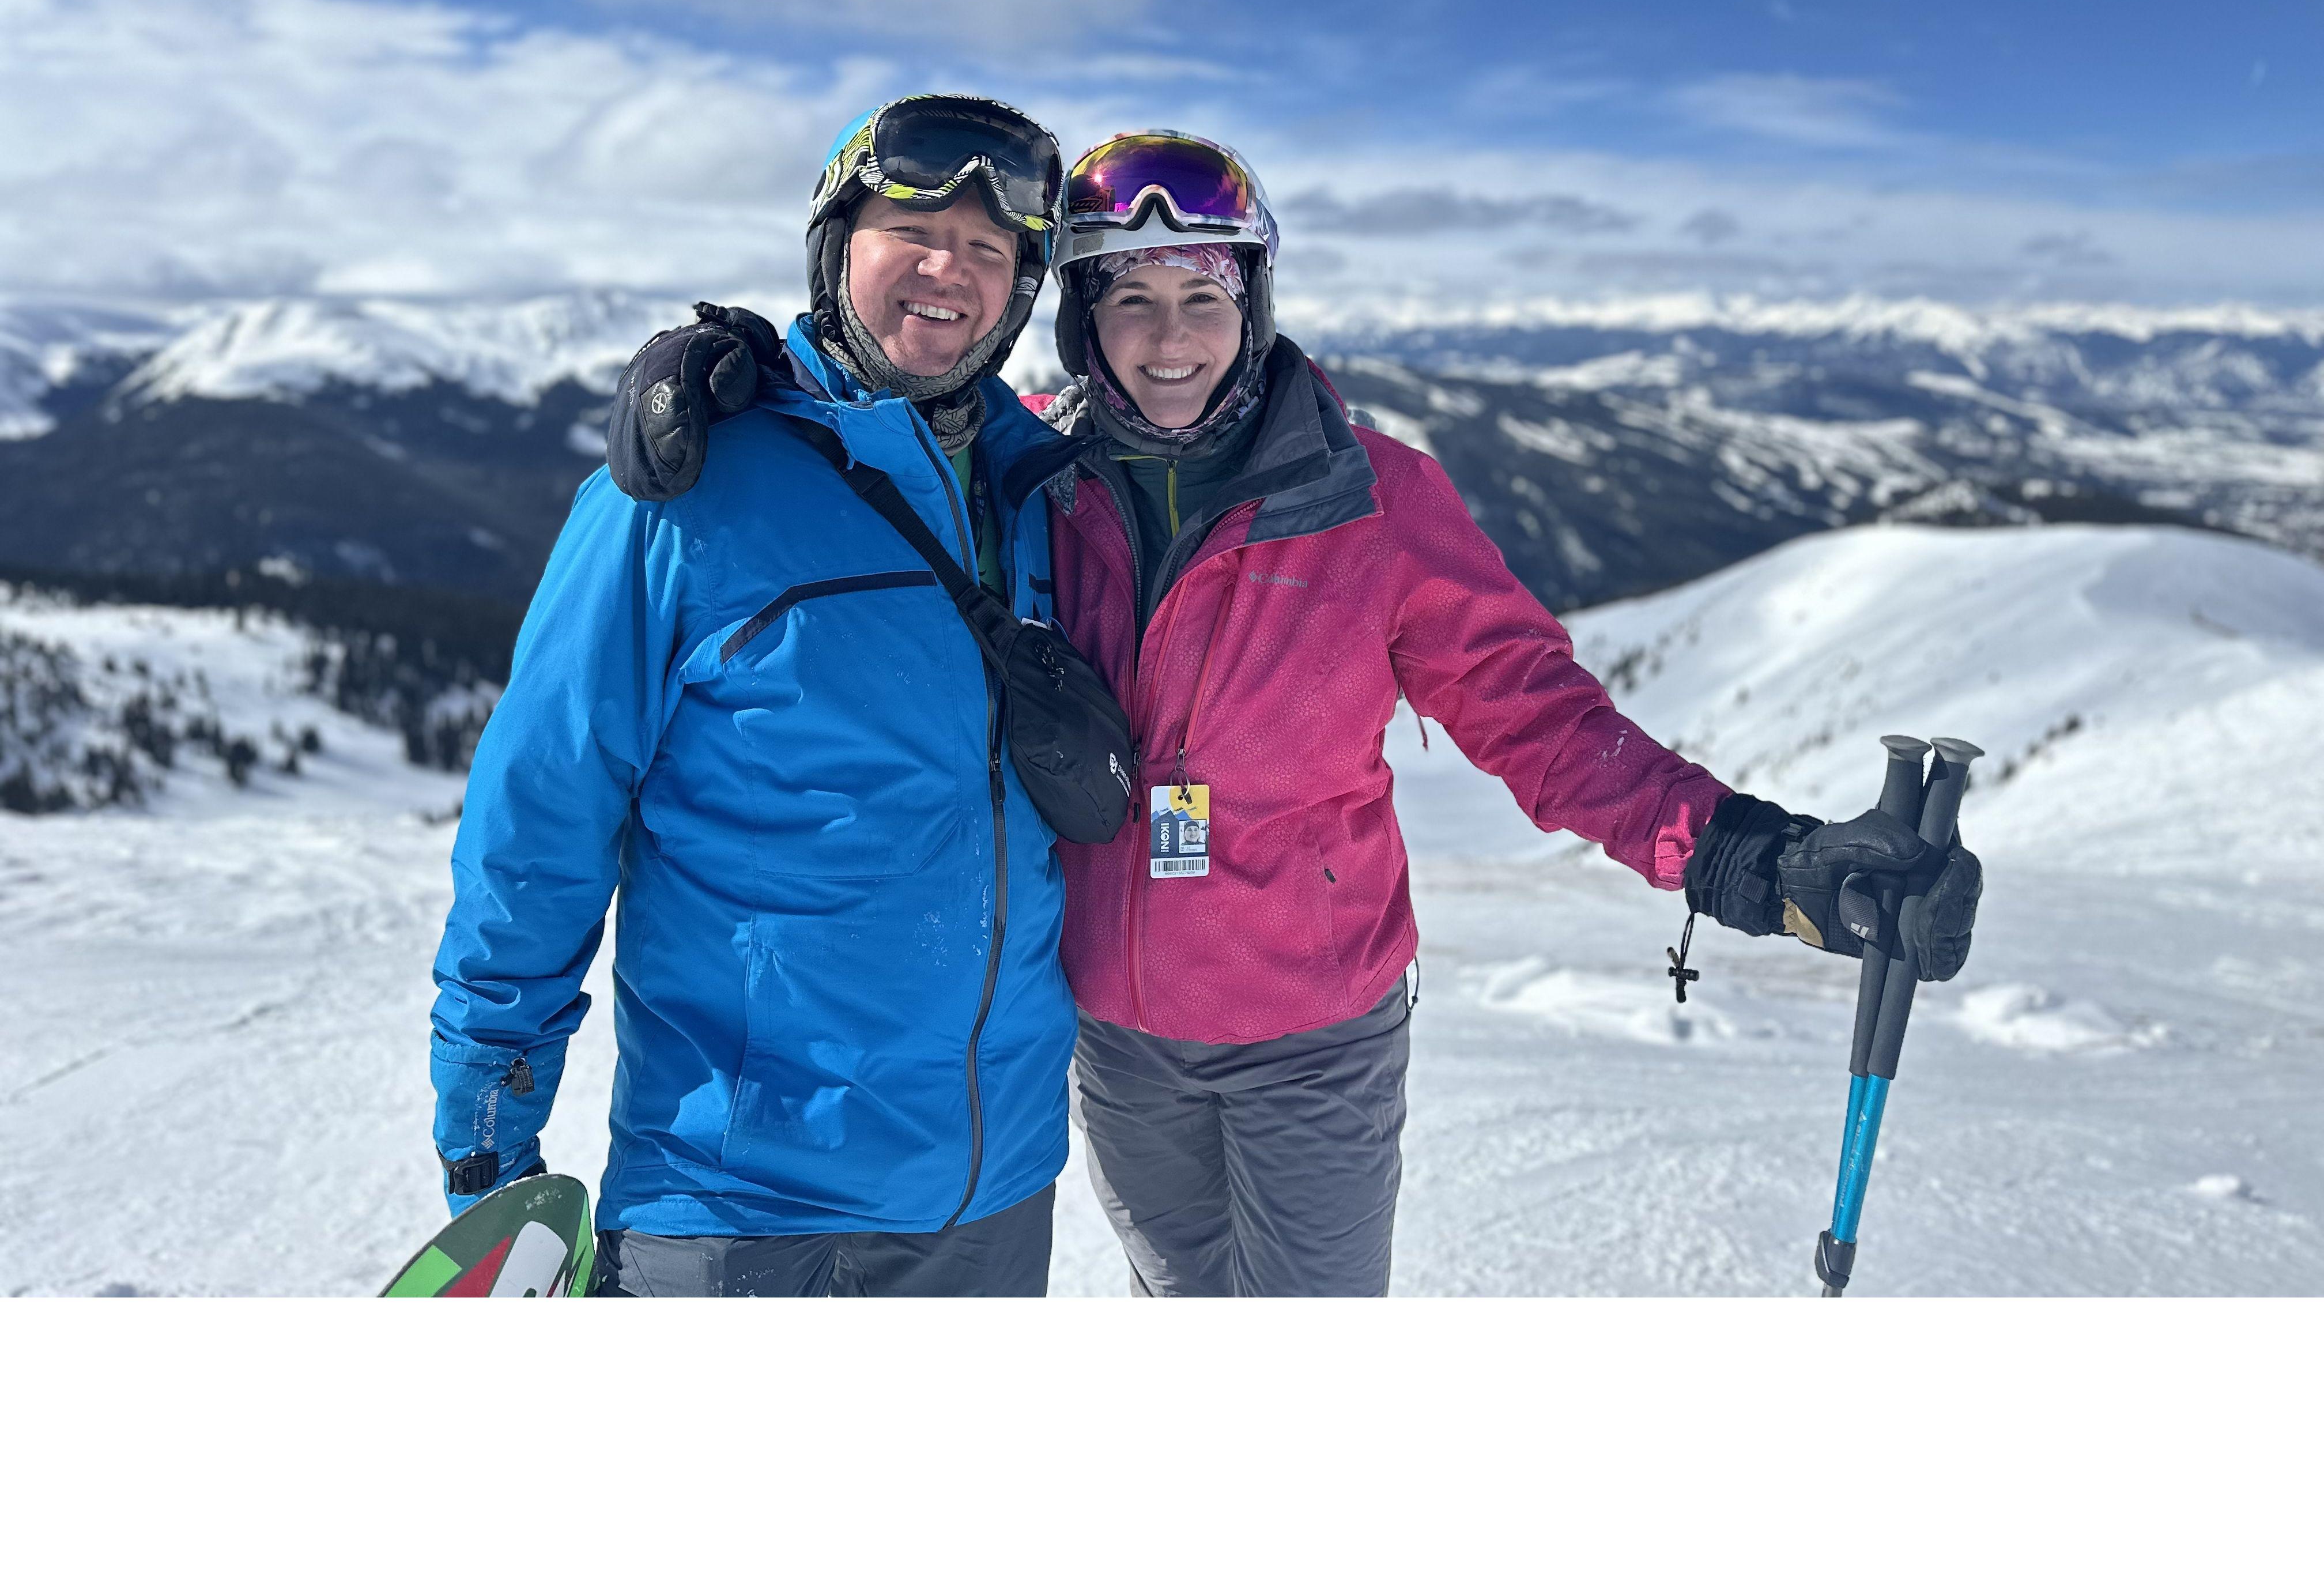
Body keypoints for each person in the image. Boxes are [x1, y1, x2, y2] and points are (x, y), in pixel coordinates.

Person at [612, 127, 1984, 1298]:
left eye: (1201, 297)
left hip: (1311, 1040)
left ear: (1253, 307)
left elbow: (1543, 720)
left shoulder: (1373, 500)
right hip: (1116, 1041)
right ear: (1081, 317)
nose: (1167, 341)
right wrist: (745, 377)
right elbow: (897, 437)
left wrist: (1752, 857)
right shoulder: (1038, 478)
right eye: (1125, 297)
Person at [431, 94, 1091, 1297]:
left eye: (993, 250)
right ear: (836, 244)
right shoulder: (682, 496)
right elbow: (545, 804)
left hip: (992, 1193)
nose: (952, 269)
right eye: (915, 231)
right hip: (747, 1199)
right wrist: (490, 1082)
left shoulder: (1042, 489)